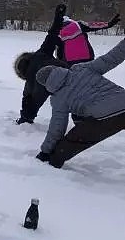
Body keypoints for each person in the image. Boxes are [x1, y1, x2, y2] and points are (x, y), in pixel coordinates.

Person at [34, 37, 125, 168]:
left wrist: (45, 151)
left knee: (66, 146)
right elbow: (110, 58)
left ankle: (50, 167)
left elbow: (57, 128)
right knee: (77, 115)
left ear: (46, 85)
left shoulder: (58, 98)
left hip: (106, 119)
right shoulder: (82, 69)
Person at [14, 4, 71, 124]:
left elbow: (30, 102)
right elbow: (52, 35)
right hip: (71, 74)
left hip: (66, 83)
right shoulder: (40, 54)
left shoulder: (32, 82)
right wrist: (58, 16)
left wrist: (25, 118)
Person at [56, 13, 120, 65]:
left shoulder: (57, 32)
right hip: (87, 57)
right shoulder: (78, 25)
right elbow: (93, 25)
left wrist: (60, 62)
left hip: (69, 61)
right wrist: (108, 24)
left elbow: (59, 52)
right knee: (90, 76)